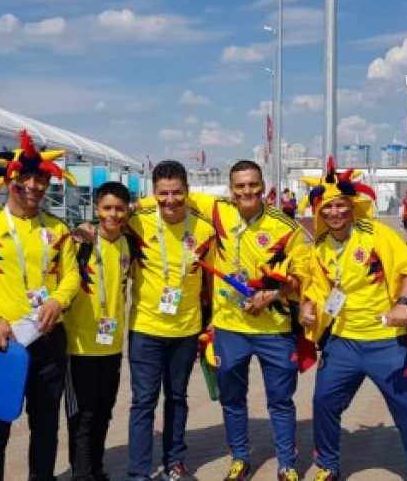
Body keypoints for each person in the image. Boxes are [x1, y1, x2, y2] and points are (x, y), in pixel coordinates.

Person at [0, 130, 80, 481]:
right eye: (27, 178)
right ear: (10, 180)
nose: (35, 186)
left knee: (45, 429)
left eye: (41, 179)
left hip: (48, 343)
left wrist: (58, 298)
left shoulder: (58, 229)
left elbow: (72, 276)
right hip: (0, 343)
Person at [300, 158, 407, 481]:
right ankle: (327, 466)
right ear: (319, 212)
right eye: (326, 208)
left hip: (386, 344)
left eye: (339, 206)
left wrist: (403, 302)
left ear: (351, 206)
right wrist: (307, 308)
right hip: (342, 343)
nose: (334, 213)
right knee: (323, 403)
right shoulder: (319, 248)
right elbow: (316, 290)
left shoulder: (377, 234)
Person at [184, 160, 310, 481]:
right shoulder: (218, 210)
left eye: (253, 185)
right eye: (240, 186)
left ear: (263, 185)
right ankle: (239, 459)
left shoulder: (287, 227)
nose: (247, 191)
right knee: (232, 399)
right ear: (231, 189)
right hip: (229, 328)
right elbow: (169, 194)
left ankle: (286, 464)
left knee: (280, 401)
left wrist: (271, 296)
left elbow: (300, 279)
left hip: (274, 330)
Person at [125, 161, 215, 481]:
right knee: (143, 402)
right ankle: (138, 471)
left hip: (186, 330)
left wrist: (212, 320)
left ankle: (175, 462)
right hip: (145, 329)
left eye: (177, 192)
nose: (170, 200)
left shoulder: (204, 229)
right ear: (154, 194)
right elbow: (106, 227)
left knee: (177, 398)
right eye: (163, 193)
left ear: (187, 192)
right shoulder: (135, 222)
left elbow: (211, 281)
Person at [64, 182, 134, 481]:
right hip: (78, 346)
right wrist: (76, 231)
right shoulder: (80, 242)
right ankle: (82, 475)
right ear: (96, 209)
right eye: (106, 208)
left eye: (119, 208)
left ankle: (96, 468)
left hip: (112, 346)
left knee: (104, 412)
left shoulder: (128, 243)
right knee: (82, 417)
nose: (113, 215)